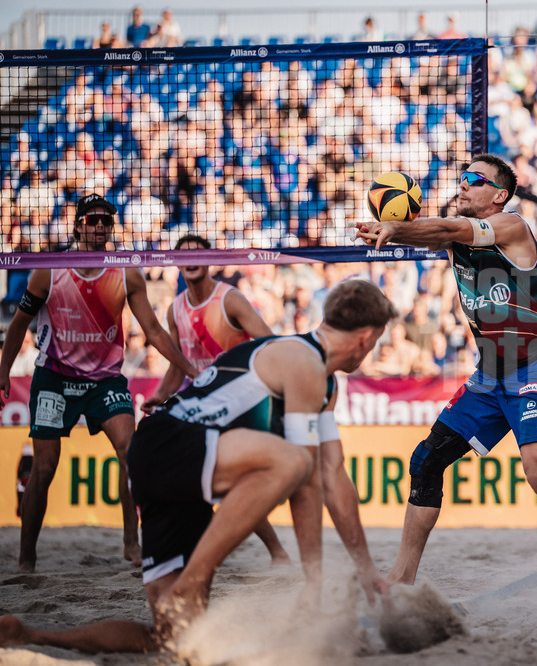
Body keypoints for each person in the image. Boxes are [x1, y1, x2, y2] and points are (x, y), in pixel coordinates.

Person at [0, 279, 395, 652]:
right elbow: (308, 481)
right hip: (170, 444)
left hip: (174, 465)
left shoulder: (320, 379)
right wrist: (313, 583)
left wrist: (365, 566)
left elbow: (334, 474)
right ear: (366, 338)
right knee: (292, 462)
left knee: (173, 638)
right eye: (376, 342)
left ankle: (30, 634)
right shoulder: (303, 361)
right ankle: (193, 579)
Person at [355, 154, 537, 596]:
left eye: (474, 179)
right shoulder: (454, 236)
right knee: (425, 461)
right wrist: (394, 228)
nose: (463, 184)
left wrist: (398, 227)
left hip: (534, 363)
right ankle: (402, 579)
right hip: (489, 373)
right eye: (462, 178)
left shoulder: (512, 227)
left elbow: (448, 229)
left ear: (499, 195)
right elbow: (440, 231)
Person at [0, 194, 200, 573]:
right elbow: (18, 325)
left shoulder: (126, 271)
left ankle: (130, 541)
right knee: (44, 469)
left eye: (106, 221)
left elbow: (154, 331)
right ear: (78, 226)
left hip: (104, 381)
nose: (100, 226)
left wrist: (188, 368)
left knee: (131, 454)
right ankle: (27, 559)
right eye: (92, 220)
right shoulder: (49, 270)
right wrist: (3, 370)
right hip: (54, 378)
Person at [141, 234, 290, 564]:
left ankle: (277, 552)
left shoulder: (230, 299)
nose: (191, 260)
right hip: (203, 405)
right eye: (184, 255)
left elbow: (271, 344)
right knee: (193, 478)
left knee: (235, 482)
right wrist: (160, 397)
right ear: (175, 263)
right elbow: (178, 368)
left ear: (209, 260)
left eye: (198, 253)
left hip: (240, 402)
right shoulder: (175, 309)